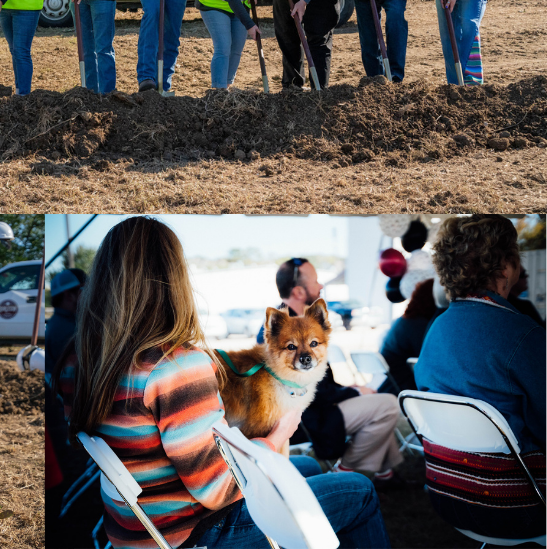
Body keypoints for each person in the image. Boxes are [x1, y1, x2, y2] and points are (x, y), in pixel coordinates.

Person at [56, 218, 390, 549]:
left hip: (135, 527)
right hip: (194, 531)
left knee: (307, 465)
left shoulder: (77, 357)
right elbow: (217, 491)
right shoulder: (175, 366)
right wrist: (276, 437)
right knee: (359, 490)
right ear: (174, 279)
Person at [415, 215, 545, 540]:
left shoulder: (436, 329)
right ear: (504, 267)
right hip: (517, 504)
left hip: (447, 494)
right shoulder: (523, 334)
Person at [260, 258, 410, 489]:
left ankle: (385, 476)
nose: (321, 286)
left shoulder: (292, 325)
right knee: (387, 404)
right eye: (315, 281)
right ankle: (341, 472)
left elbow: (320, 385)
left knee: (376, 402)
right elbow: (309, 392)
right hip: (308, 419)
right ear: (298, 291)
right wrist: (354, 392)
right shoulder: (282, 333)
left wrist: (350, 390)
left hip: (317, 408)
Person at [378, 277, 437, 393]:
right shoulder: (418, 325)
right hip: (405, 386)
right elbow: (428, 359)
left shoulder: (406, 320)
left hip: (393, 382)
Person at [45, 267, 86, 374]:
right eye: (85, 289)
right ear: (69, 295)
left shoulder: (58, 322)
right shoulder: (68, 331)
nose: (90, 294)